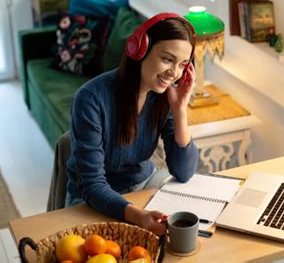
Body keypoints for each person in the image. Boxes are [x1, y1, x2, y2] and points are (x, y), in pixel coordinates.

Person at [65, 13, 199, 236]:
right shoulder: (90, 98)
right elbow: (92, 185)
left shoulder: (164, 96)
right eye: (167, 59)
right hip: (93, 197)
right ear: (140, 49)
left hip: (142, 182)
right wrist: (139, 217)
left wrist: (180, 111)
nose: (174, 73)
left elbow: (183, 172)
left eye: (182, 65)